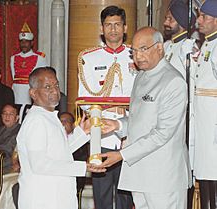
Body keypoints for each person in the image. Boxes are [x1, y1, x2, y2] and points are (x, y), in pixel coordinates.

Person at [99, 27, 191, 209]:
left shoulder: (173, 82)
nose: (138, 56)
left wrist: (121, 155)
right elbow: (139, 120)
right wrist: (117, 125)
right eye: (134, 51)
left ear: (159, 48)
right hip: (140, 173)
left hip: (163, 177)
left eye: (143, 49)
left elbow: (162, 133)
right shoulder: (141, 76)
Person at [16, 66, 105, 209]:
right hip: (43, 199)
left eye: (56, 85)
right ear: (33, 93)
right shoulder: (36, 121)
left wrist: (83, 132)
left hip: (54, 196)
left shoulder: (48, 116)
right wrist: (83, 167)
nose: (54, 89)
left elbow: (59, 151)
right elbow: (40, 164)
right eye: (47, 86)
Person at [78, 5, 135, 209]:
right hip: (101, 137)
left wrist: (126, 113)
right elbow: (85, 101)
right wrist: (111, 112)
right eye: (108, 25)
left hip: (130, 137)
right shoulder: (89, 59)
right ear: (101, 29)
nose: (113, 30)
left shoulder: (136, 56)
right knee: (101, 197)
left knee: (126, 197)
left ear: (125, 27)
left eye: (117, 25)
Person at [163, 1, 198, 208]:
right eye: (166, 17)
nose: (166, 22)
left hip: (183, 115)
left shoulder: (189, 48)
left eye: (171, 18)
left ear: (183, 22)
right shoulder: (167, 47)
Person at [194, 1, 217, 209]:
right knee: (206, 175)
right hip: (204, 123)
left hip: (213, 125)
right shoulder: (207, 44)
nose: (198, 21)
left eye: (204, 17)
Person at [10, 22, 47, 105]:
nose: (23, 44)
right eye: (21, 41)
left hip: (31, 92)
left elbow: (41, 78)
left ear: (32, 43)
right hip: (17, 92)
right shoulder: (13, 58)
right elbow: (14, 76)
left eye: (26, 41)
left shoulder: (40, 57)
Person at [59, 112, 89, 205]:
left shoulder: (81, 141)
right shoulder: (54, 139)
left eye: (66, 121)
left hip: (75, 178)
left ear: (72, 125)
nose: (63, 123)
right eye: (60, 121)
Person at [0, 104, 20, 174]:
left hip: (6, 165)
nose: (7, 116)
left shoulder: (21, 132)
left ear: (17, 118)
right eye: (5, 113)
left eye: (11, 114)